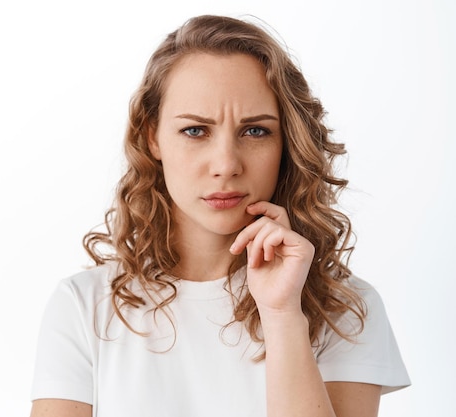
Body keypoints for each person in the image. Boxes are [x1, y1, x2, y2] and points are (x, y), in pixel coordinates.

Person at [29, 14, 410, 417]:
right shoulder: (83, 306)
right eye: (195, 131)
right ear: (151, 136)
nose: (226, 164)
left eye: (255, 131)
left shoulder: (345, 308)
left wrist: (282, 317)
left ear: (287, 143)